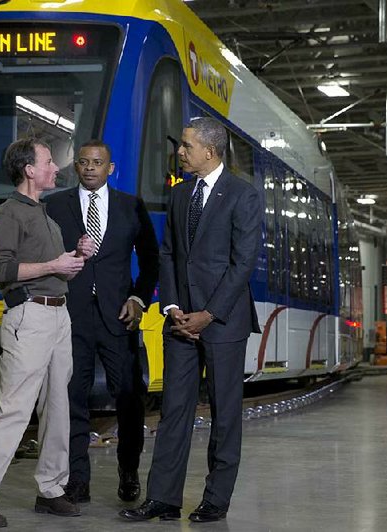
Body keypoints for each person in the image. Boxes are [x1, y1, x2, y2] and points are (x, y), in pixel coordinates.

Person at [121, 117, 262, 523]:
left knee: (224, 413)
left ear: (210, 151)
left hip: (223, 322)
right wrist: (171, 308)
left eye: (185, 146)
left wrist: (209, 313)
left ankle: (215, 501)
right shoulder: (181, 195)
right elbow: (167, 254)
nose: (179, 152)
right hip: (180, 321)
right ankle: (162, 499)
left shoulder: (243, 196)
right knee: (174, 412)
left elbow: (242, 263)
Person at [0, 138, 93, 527]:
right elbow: (0, 267)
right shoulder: (9, 214)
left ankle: (51, 489)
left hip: (57, 318)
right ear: (30, 170)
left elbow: (49, 265)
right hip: (30, 317)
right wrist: (54, 264)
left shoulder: (44, 214)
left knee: (57, 408)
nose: (56, 168)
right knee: (13, 408)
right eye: (49, 162)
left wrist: (76, 254)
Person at [45, 140, 159, 505]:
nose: (90, 168)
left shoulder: (131, 206)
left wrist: (139, 298)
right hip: (69, 315)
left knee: (129, 397)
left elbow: (151, 260)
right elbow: (44, 255)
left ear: (111, 168)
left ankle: (129, 472)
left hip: (119, 317)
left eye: (98, 163)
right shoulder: (55, 205)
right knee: (71, 398)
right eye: (83, 162)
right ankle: (78, 479)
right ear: (75, 167)